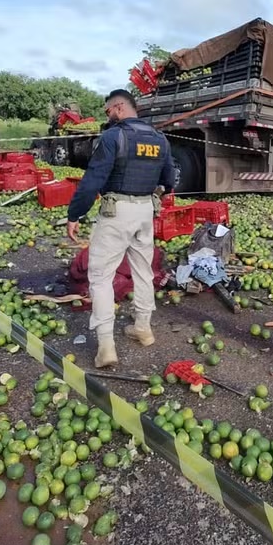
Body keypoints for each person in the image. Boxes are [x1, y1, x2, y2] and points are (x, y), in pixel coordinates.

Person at [66, 89, 176, 368]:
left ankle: (106, 347)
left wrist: (75, 214)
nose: (107, 116)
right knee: (143, 270)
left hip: (117, 212)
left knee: (101, 275)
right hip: (145, 211)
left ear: (118, 107)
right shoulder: (160, 140)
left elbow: (93, 179)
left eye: (107, 111)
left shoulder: (114, 136)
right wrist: (152, 197)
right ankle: (143, 327)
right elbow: (170, 179)